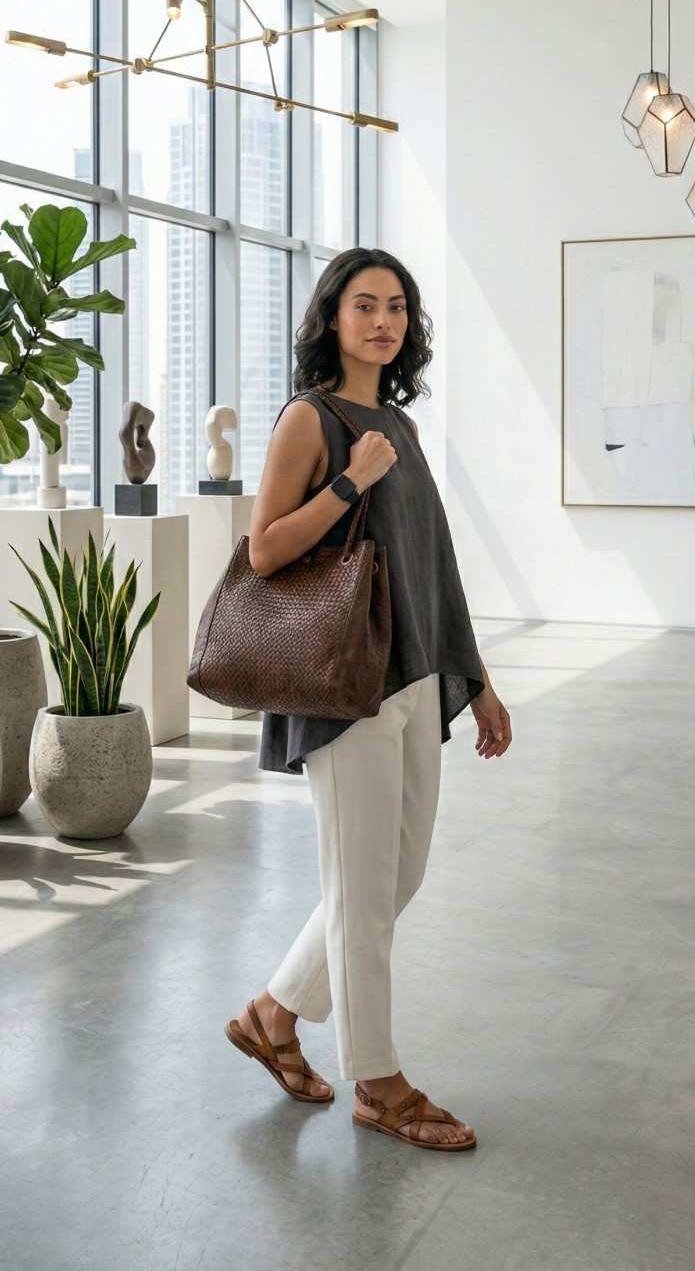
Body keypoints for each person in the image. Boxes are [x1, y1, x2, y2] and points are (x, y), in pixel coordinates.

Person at [224, 248, 512, 1151]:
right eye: (364, 305)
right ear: (331, 318)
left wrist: (479, 677)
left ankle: (273, 1014)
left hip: (416, 673)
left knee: (396, 876)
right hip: (342, 681)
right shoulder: (309, 420)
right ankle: (379, 1083)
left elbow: (434, 562)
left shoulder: (398, 424)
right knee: (360, 892)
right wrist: (353, 477)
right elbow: (264, 550)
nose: (382, 321)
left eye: (396, 307)